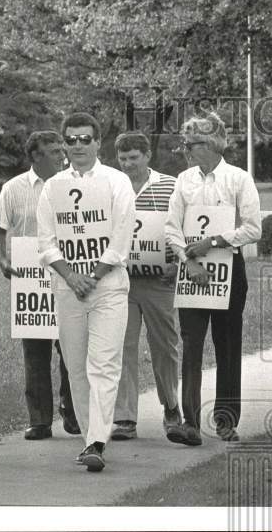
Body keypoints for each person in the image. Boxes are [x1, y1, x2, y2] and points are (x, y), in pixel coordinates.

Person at [36, 112, 136, 472]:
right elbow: (46, 242)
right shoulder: (53, 187)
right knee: (76, 367)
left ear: (98, 142)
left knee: (104, 364)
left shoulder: (117, 181)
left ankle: (97, 441)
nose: (78, 145)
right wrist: (71, 276)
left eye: (85, 139)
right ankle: (88, 440)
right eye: (72, 139)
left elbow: (122, 236)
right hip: (68, 288)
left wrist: (92, 275)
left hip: (108, 286)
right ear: (64, 143)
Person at [163, 113, 261, 445]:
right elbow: (171, 227)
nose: (187, 150)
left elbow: (252, 228)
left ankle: (225, 420)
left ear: (213, 142)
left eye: (193, 144)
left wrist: (214, 241)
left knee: (228, 346)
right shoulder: (183, 180)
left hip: (229, 270)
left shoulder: (238, 179)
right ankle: (190, 422)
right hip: (192, 272)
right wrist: (187, 259)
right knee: (191, 346)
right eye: (185, 144)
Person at [0, 131, 79, 441]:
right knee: (35, 353)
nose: (62, 155)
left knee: (72, 347)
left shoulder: (74, 184)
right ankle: (40, 420)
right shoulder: (13, 189)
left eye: (62, 150)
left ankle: (72, 413)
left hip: (68, 276)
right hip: (30, 280)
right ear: (35, 156)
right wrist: (3, 260)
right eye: (54, 151)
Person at [110, 132, 183, 442]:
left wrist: (177, 264)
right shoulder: (111, 185)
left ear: (147, 155)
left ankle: (171, 407)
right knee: (121, 347)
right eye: (123, 159)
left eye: (133, 158)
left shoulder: (170, 185)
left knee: (165, 345)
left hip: (159, 279)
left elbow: (183, 225)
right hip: (120, 279)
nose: (128, 164)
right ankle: (125, 417)